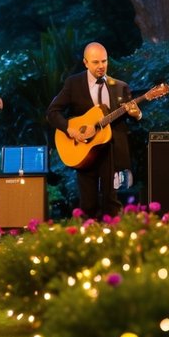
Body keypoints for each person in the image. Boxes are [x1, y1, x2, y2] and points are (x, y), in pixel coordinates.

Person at [46, 41, 141, 219]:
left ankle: (113, 241)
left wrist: (136, 114)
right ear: (85, 62)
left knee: (111, 202)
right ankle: (88, 241)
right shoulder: (73, 84)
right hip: (84, 151)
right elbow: (52, 112)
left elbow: (130, 120)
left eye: (104, 61)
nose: (101, 66)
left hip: (111, 150)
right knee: (88, 204)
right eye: (96, 62)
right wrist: (70, 129)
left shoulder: (119, 86)